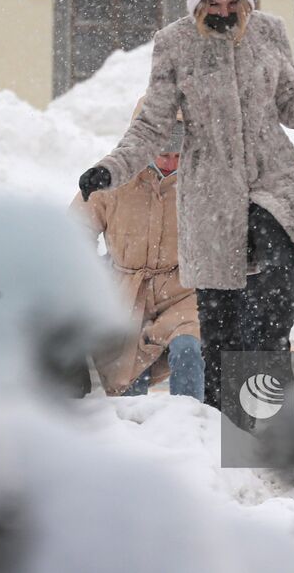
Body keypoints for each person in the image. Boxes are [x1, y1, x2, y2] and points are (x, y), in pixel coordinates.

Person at [77, 0, 294, 428]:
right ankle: (224, 431)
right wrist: (111, 169)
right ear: (198, 3)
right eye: (215, 2)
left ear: (246, 0)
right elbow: (151, 125)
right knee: (222, 324)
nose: (225, 10)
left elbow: (291, 102)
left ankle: (272, 416)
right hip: (208, 192)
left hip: (273, 182)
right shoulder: (175, 45)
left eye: (233, 2)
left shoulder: (269, 34)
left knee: (270, 306)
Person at [72, 109, 203, 400]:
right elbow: (75, 231)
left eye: (179, 155)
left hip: (183, 290)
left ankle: (193, 423)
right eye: (162, 154)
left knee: (189, 349)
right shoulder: (111, 177)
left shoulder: (204, 180)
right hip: (126, 296)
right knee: (127, 382)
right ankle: (134, 435)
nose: (170, 162)